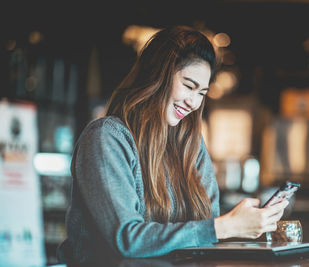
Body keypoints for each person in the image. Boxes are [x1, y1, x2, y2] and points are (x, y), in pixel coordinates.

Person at [57, 25, 288, 264]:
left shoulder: (191, 144)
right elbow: (127, 239)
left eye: (202, 93)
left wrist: (239, 226)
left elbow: (207, 232)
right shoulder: (107, 137)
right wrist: (225, 227)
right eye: (189, 86)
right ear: (157, 76)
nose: (193, 102)